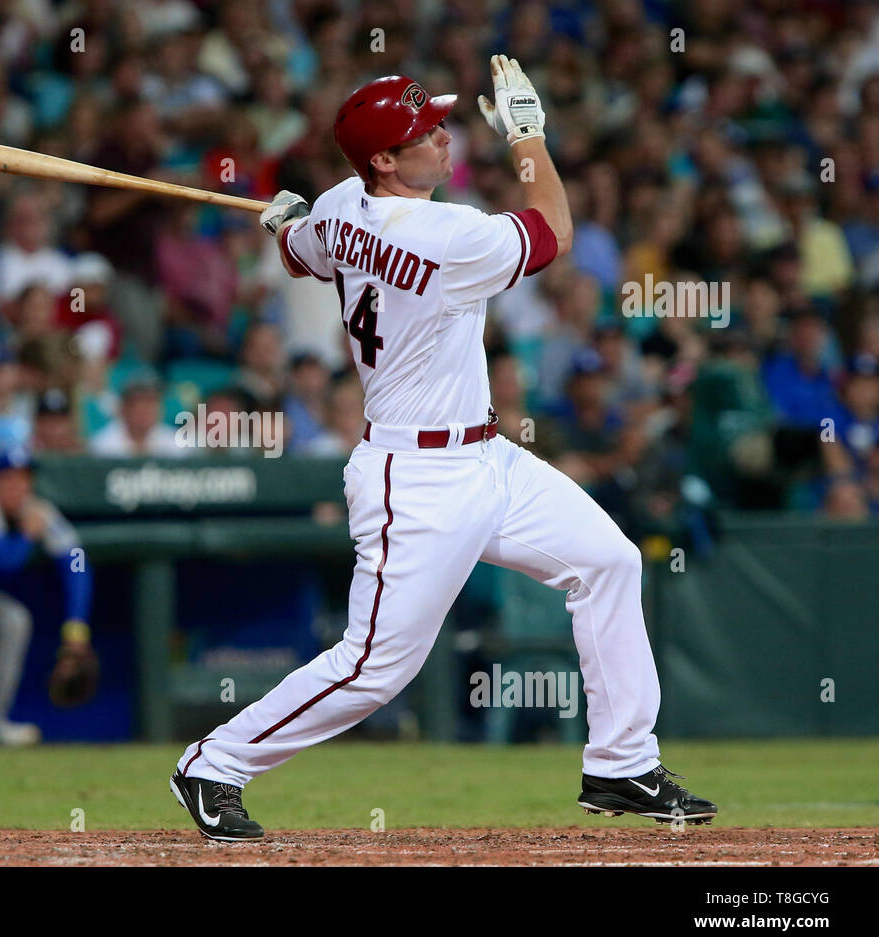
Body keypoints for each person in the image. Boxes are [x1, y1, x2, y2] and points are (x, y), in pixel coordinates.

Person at [169, 59, 717, 842]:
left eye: (435, 123)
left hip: (487, 456)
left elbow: (305, 250)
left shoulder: (337, 207)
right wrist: (529, 137)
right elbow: (555, 230)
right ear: (384, 160)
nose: (441, 136)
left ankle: (621, 762)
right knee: (375, 668)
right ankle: (214, 762)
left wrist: (289, 225)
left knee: (608, 561)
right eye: (420, 133)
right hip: (413, 477)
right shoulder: (445, 233)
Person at [0, 449, 92, 746]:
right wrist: (26, 535)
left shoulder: (33, 507)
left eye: (24, 479)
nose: (18, 487)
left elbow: (76, 561)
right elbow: (2, 561)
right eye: (9, 479)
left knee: (14, 620)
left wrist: (76, 628)